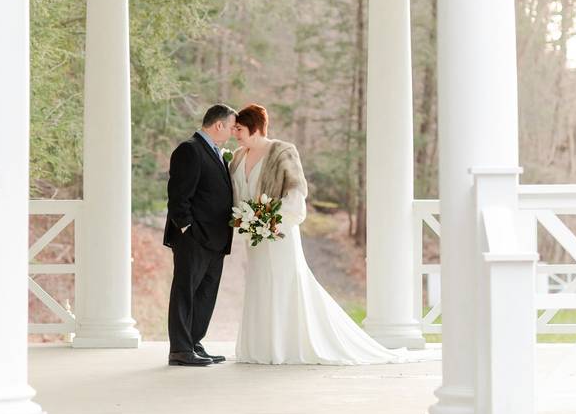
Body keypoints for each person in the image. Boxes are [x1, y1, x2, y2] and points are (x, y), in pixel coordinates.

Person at [230, 103, 429, 365]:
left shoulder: (282, 151)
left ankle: (284, 347)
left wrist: (269, 218)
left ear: (255, 127)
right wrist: (246, 220)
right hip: (253, 236)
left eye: (240, 129)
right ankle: (261, 346)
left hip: (279, 232)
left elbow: (296, 192)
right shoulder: (237, 157)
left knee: (283, 282)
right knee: (259, 283)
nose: (236, 134)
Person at [163, 104, 237, 366]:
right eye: (230, 127)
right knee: (185, 291)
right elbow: (178, 196)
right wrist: (187, 229)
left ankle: (194, 342)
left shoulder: (216, 152)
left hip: (216, 238)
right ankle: (180, 350)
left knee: (205, 294)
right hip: (193, 238)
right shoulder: (190, 149)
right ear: (218, 125)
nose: (231, 132)